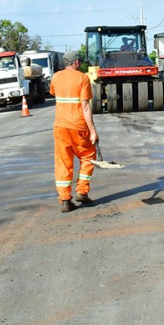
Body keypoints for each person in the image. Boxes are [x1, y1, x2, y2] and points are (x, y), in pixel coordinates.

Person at [49, 50, 99, 213]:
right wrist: (93, 131)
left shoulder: (56, 77)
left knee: (63, 162)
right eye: (80, 61)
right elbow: (85, 106)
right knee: (88, 156)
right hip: (78, 127)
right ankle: (82, 192)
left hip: (60, 127)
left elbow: (54, 93)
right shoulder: (82, 78)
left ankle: (65, 200)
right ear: (76, 62)